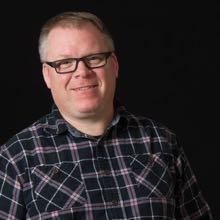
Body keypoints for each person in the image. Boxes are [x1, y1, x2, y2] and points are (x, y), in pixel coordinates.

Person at [0, 11, 213, 220]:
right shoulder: (17, 157)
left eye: (93, 58)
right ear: (47, 75)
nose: (82, 72)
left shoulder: (161, 143)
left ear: (114, 65)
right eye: (64, 63)